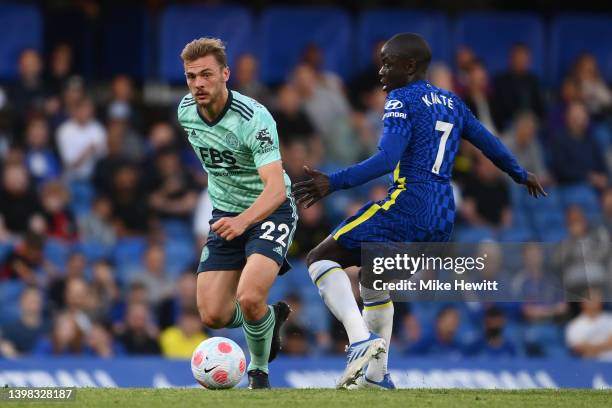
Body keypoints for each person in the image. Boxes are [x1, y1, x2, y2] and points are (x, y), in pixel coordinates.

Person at [293, 32, 546, 389]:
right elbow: (488, 140)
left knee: (319, 259)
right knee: (375, 284)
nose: (381, 70)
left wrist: (332, 182)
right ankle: (377, 378)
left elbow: (387, 158)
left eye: (387, 62)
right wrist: (520, 174)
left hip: (409, 201)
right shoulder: (452, 102)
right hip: (443, 214)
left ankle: (359, 340)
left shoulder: (400, 99)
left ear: (409, 66)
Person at [177, 38, 298, 389]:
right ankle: (267, 320)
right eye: (191, 76)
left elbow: (275, 188)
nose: (198, 83)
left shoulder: (254, 119)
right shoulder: (185, 111)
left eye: (206, 75)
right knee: (212, 314)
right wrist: (230, 212)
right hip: (225, 213)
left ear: (225, 74)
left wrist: (245, 220)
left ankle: (259, 373)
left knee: (248, 297)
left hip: (269, 211)